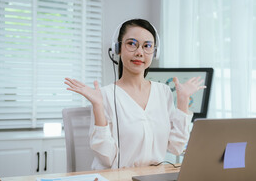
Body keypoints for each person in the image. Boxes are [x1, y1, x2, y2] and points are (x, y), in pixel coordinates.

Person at [65, 19, 205, 169]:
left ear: (155, 52)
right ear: (117, 48)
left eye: (147, 46)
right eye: (132, 44)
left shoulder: (163, 92)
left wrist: (183, 102)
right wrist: (98, 106)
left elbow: (176, 147)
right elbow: (106, 159)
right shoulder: (103, 95)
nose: (139, 52)